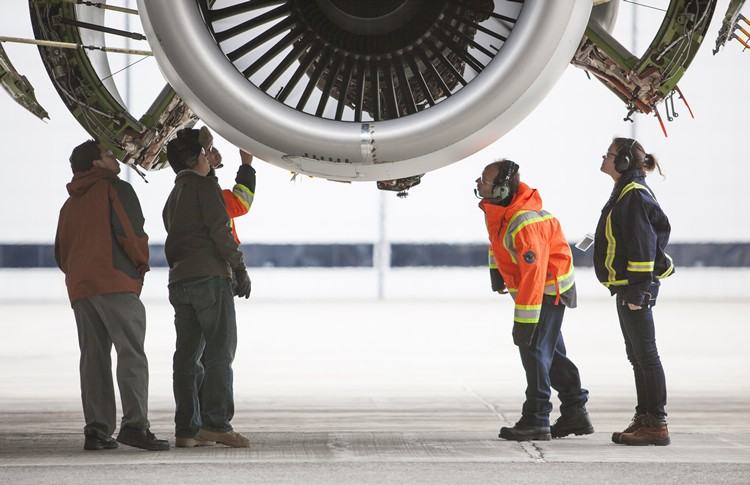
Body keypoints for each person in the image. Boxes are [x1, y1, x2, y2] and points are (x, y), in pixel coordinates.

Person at [55, 140, 169, 451]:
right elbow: (131, 233)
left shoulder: (69, 205)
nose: (114, 157)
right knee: (131, 354)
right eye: (107, 154)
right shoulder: (114, 189)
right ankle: (135, 426)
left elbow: (60, 252)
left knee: (93, 358)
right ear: (95, 165)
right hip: (115, 282)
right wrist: (140, 267)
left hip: (81, 288)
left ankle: (97, 430)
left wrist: (79, 276)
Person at [476, 159, 592, 441]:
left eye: (485, 181)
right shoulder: (502, 211)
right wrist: (497, 273)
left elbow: (534, 276)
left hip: (547, 291)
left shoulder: (524, 221)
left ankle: (537, 418)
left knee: (534, 350)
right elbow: (498, 242)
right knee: (551, 353)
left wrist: (525, 323)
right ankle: (575, 410)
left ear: (503, 189)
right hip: (540, 289)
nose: (479, 185)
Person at [163, 129, 252, 449]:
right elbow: (219, 231)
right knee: (219, 352)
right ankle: (216, 424)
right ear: (194, 160)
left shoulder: (174, 196)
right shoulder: (205, 188)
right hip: (210, 280)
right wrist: (239, 268)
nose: (210, 157)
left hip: (180, 282)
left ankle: (187, 428)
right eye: (205, 153)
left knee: (187, 356)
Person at [594, 138, 674, 446]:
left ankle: (656, 422)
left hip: (634, 290)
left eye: (609, 154)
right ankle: (645, 417)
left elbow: (642, 247)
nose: (604, 157)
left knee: (646, 355)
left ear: (624, 161)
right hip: (627, 288)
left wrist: (638, 294)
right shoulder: (626, 191)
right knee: (637, 356)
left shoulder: (633, 195)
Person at [167, 127, 256, 245]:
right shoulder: (207, 194)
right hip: (218, 261)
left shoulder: (178, 195)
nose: (215, 152)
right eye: (207, 150)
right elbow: (241, 203)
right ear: (195, 159)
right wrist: (246, 164)